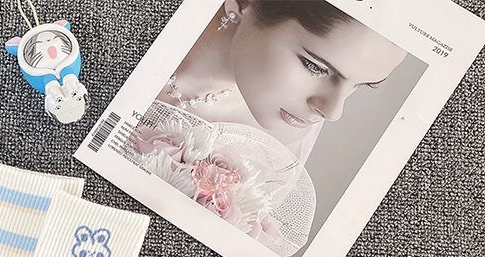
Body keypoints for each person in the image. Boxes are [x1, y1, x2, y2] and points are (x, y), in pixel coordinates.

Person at [159, 0, 407, 161]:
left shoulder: (279, 143)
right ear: (243, 3)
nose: (332, 113)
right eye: (315, 67)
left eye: (361, 85)